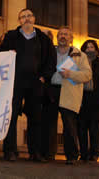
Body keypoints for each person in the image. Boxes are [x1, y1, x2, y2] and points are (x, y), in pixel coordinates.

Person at [0, 9, 56, 162]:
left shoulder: (44, 39)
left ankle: (35, 152)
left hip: (36, 83)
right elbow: (2, 55)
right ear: (19, 20)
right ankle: (10, 151)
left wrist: (44, 77)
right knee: (11, 117)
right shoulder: (11, 36)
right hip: (14, 82)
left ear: (34, 18)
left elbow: (51, 61)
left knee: (35, 118)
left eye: (29, 16)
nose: (26, 19)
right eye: (23, 17)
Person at [51, 27, 92, 165]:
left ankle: (72, 156)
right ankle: (48, 153)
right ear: (57, 37)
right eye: (61, 34)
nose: (63, 36)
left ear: (71, 39)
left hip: (69, 92)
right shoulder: (50, 52)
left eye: (66, 34)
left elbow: (87, 75)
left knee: (69, 126)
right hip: (51, 90)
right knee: (48, 124)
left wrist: (71, 74)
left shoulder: (80, 55)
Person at [79, 39, 99, 162]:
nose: (89, 49)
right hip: (82, 99)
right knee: (81, 128)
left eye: (91, 47)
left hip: (96, 100)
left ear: (96, 50)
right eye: (87, 47)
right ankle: (84, 154)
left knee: (94, 129)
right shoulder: (79, 62)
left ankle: (94, 154)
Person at [39, 28, 59, 160]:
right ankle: (38, 152)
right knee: (37, 123)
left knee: (50, 124)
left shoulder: (55, 51)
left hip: (51, 93)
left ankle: (50, 152)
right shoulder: (37, 50)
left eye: (46, 36)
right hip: (38, 91)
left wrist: (44, 76)